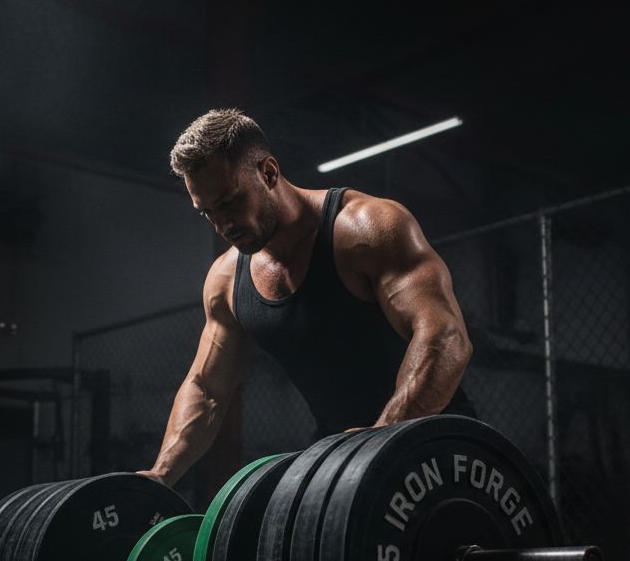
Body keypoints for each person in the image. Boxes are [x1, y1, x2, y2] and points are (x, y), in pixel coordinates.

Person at [141, 109, 476, 487]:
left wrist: (377, 444)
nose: (223, 225)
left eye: (231, 202)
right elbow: (207, 390)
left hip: (440, 449)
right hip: (339, 458)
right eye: (207, 213)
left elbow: (445, 338)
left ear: (268, 172)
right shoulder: (225, 279)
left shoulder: (365, 228)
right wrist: (160, 475)